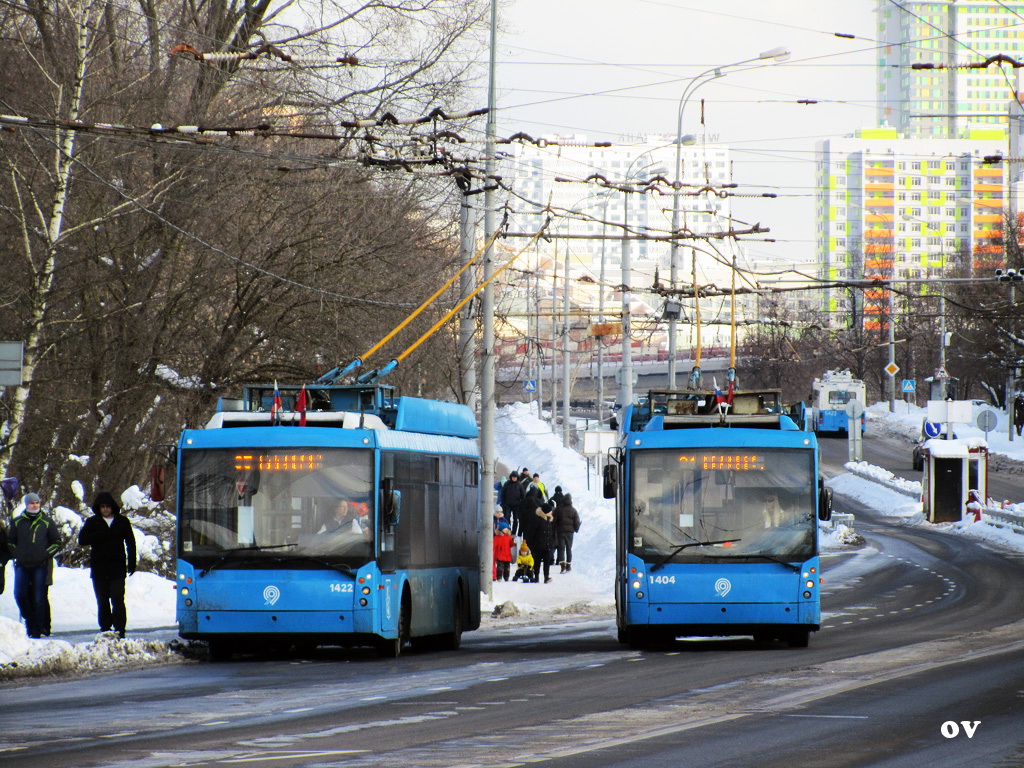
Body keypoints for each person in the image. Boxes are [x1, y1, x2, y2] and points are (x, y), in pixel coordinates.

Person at [78, 491, 137, 637]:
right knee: (102, 600)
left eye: (108, 506)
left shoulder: (122, 521)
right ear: (99, 508)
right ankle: (105, 628)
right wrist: (98, 535)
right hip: (99, 567)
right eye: (102, 506)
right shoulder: (93, 522)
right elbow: (82, 540)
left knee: (117, 598)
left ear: (113, 507)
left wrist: (132, 562)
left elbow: (131, 542)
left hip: (117, 566)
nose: (105, 509)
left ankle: (120, 629)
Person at [8, 493, 62, 639]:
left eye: (37, 503)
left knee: (39, 597)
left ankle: (36, 629)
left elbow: (56, 541)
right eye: (32, 503)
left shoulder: (46, 521)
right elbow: (11, 541)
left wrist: (46, 554)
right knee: (20, 594)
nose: (34, 505)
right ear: (26, 504)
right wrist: (16, 553)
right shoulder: (18, 522)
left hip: (40, 565)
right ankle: (30, 620)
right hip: (22, 564)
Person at [552, 492, 582, 573]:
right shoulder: (573, 510)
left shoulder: (559, 509)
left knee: (561, 549)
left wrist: (553, 529)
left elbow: (554, 520)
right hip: (570, 532)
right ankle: (568, 566)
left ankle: (562, 566)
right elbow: (577, 521)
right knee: (569, 549)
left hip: (560, 531)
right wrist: (576, 529)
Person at [532, 500, 557, 583]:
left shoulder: (549, 521)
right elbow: (533, 532)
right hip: (538, 545)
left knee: (547, 562)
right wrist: (533, 544)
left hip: (547, 546)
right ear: (546, 512)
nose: (551, 513)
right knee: (537, 562)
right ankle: (536, 576)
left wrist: (551, 543)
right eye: (550, 512)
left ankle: (546, 577)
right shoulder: (538, 520)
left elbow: (550, 534)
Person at [500, 472, 524, 537]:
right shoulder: (507, 484)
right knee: (507, 517)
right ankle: (508, 530)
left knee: (516, 519)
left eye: (515, 477)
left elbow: (523, 495)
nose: (514, 478)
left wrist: (522, 504)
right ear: (511, 477)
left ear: (517, 478)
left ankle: (514, 532)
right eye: (513, 477)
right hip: (507, 504)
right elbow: (503, 494)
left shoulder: (520, 485)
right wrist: (503, 503)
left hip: (516, 505)